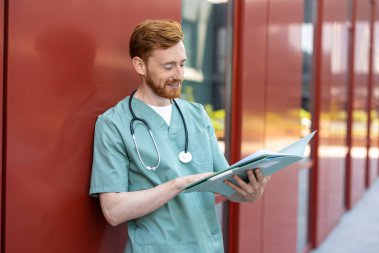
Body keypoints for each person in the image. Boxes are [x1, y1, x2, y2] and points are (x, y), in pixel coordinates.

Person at [89, 19, 270, 253]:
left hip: (207, 246)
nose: (179, 75)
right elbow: (113, 211)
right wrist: (179, 184)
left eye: (182, 64)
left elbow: (227, 184)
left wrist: (249, 192)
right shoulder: (113, 124)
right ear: (140, 66)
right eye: (168, 67)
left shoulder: (197, 115)